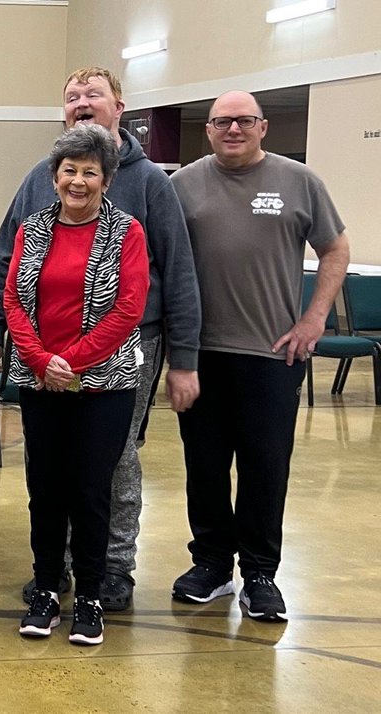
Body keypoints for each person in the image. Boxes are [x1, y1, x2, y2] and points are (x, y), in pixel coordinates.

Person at [0, 67, 201, 611]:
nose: (81, 102)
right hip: (40, 353)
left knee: (113, 461)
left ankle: (112, 569)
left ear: (118, 107)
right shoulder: (38, 179)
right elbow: (8, 260)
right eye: (72, 95)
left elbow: (179, 272)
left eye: (93, 94)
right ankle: (57, 568)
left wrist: (185, 358)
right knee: (50, 463)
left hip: (123, 347)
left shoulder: (149, 184)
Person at [169, 91, 349, 622]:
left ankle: (261, 574)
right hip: (200, 355)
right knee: (204, 467)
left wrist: (314, 319)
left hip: (272, 357)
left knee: (264, 468)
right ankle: (211, 566)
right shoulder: (181, 186)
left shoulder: (300, 181)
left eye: (244, 121)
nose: (233, 129)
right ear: (208, 129)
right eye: (222, 121)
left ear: (263, 127)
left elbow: (335, 248)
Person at [10, 126, 149, 647]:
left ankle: (89, 595)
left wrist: (72, 360)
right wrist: (44, 361)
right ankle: (47, 588)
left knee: (91, 491)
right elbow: (14, 303)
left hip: (105, 384)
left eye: (91, 171)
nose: (79, 180)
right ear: (54, 176)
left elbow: (128, 309)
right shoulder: (33, 228)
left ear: (107, 179)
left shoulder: (126, 231)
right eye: (70, 170)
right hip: (40, 380)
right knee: (45, 490)